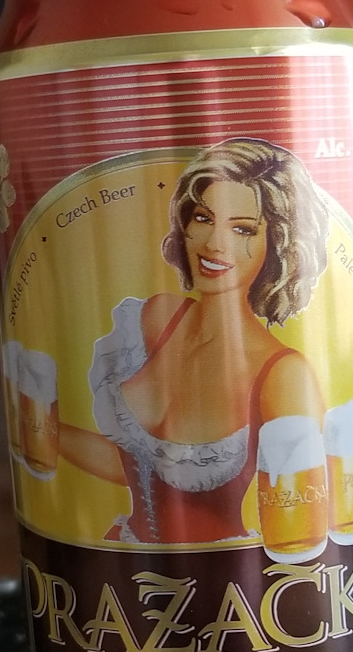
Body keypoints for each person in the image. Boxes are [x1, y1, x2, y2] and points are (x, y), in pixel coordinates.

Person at [55, 138, 329, 543]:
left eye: (242, 229)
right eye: (203, 218)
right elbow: (135, 463)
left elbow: (308, 512)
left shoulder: (282, 374)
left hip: (222, 569)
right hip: (124, 551)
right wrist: (45, 430)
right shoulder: (155, 319)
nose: (214, 243)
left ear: (278, 245)